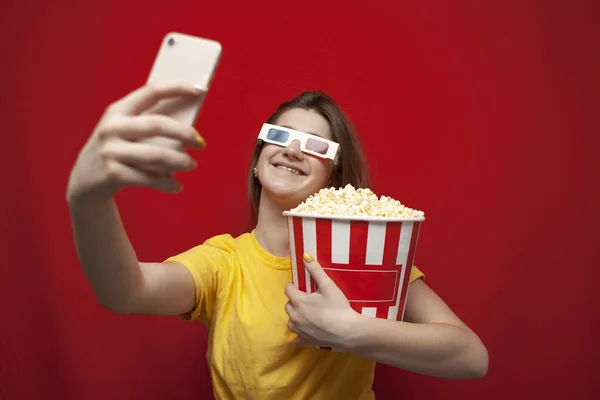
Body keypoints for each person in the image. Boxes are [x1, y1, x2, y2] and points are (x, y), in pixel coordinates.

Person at [66, 83, 489, 400]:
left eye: (315, 145)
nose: (293, 150)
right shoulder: (224, 263)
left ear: (334, 179)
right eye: (280, 136)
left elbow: (471, 358)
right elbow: (126, 291)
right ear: (257, 161)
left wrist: (351, 331)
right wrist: (88, 200)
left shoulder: (368, 256)